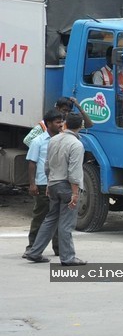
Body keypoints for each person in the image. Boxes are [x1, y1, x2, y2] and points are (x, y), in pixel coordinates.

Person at [22, 113, 87, 266]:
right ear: (80, 127)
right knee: (66, 224)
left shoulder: (54, 140)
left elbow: (46, 164)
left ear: (65, 124)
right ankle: (68, 257)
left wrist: (49, 183)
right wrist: (75, 193)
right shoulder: (76, 144)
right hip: (66, 186)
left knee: (50, 219)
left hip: (53, 183)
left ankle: (35, 251)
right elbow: (74, 171)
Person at [25, 110, 64, 257]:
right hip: (42, 184)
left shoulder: (63, 139)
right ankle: (31, 247)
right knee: (40, 216)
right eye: (57, 122)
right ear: (48, 124)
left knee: (59, 217)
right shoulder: (38, 141)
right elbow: (32, 163)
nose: (61, 125)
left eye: (61, 122)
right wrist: (32, 184)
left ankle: (59, 248)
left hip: (58, 183)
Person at [23, 96, 93, 146]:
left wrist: (79, 107)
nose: (66, 113)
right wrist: (42, 149)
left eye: (69, 111)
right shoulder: (44, 124)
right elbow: (27, 140)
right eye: (64, 110)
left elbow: (89, 124)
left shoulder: (69, 123)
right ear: (57, 108)